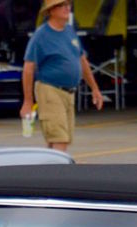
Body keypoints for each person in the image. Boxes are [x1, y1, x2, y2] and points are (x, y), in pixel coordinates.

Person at [19, 0, 103, 153]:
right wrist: (28, 101)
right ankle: (61, 173)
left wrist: (95, 89)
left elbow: (82, 60)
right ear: (51, 11)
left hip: (69, 92)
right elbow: (28, 69)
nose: (67, 8)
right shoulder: (41, 35)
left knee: (60, 138)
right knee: (59, 138)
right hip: (50, 90)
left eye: (68, 4)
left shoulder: (69, 31)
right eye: (61, 5)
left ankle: (51, 171)